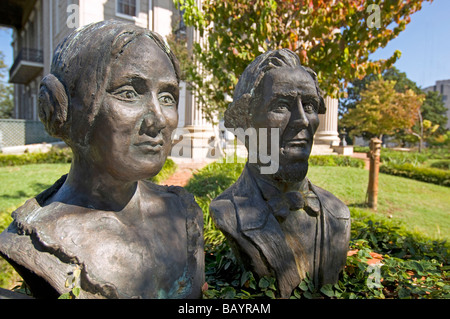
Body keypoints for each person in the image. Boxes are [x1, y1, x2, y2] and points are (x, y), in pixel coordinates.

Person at [0, 20, 204, 299]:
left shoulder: (183, 214)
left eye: (167, 96)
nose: (158, 118)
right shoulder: (32, 241)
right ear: (63, 109)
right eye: (129, 93)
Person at [210, 49, 350, 299]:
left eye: (308, 105)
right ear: (246, 120)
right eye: (282, 105)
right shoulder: (227, 211)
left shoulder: (337, 213)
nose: (303, 121)